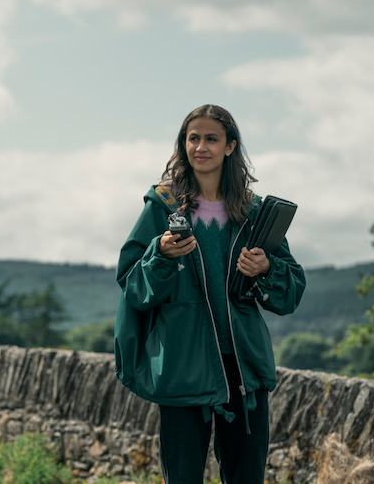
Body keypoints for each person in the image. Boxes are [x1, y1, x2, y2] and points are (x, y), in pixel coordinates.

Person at [113, 104, 306, 483]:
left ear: (230, 146)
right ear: (183, 144)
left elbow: (292, 288)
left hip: (243, 365)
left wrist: (267, 267)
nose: (201, 146)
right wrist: (161, 255)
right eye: (193, 138)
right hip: (183, 362)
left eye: (212, 139)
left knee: (246, 477)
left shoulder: (254, 211)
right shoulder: (162, 204)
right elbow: (132, 283)